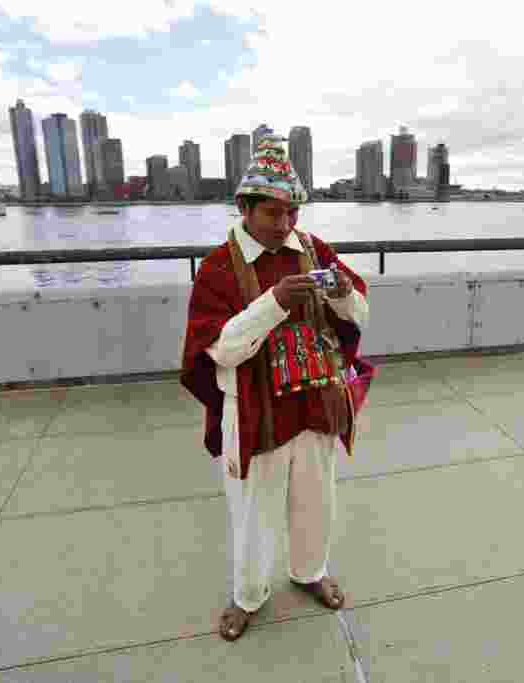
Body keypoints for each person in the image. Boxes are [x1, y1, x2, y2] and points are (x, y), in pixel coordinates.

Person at [180, 134, 373, 642]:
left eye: (292, 213)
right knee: (252, 512)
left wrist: (343, 293)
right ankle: (248, 595)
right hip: (256, 411)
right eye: (272, 213)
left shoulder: (314, 250)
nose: (285, 224)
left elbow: (360, 313)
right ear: (244, 208)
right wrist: (275, 302)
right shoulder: (219, 267)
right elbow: (219, 350)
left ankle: (310, 571)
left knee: (316, 500)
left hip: (316, 401)